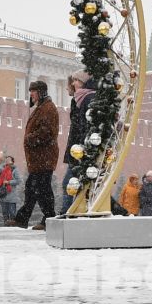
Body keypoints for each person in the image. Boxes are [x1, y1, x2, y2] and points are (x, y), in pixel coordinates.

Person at [10, 79, 59, 230]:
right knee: (32, 188)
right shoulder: (42, 107)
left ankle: (48, 219)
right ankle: (23, 219)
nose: (31, 94)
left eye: (33, 91)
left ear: (41, 92)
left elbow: (47, 132)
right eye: (30, 90)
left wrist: (30, 138)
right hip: (39, 158)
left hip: (44, 157)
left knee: (42, 189)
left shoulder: (48, 108)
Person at [62, 73, 93, 208]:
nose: (72, 84)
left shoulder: (86, 99)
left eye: (76, 80)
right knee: (84, 185)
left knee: (70, 183)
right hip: (77, 149)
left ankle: (67, 212)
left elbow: (83, 126)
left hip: (80, 150)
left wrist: (80, 146)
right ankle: (68, 211)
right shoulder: (79, 100)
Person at [0, 154, 19, 223]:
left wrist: (9, 182)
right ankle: (6, 226)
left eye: (9, 159)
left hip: (11, 196)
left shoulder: (15, 170)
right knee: (5, 214)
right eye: (6, 159)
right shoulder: (3, 170)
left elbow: (18, 181)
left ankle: (13, 228)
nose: (7, 160)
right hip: (3, 194)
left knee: (12, 214)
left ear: (12, 162)